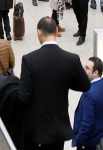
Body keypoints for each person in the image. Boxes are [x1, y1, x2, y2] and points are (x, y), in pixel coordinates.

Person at [18, 17, 91, 148]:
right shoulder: (71, 59)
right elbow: (85, 85)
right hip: (58, 129)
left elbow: (23, 97)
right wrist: (66, 81)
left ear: (39, 32)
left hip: (36, 129)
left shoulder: (29, 60)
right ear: (56, 30)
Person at [72, 57, 103, 149]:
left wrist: (78, 141)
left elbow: (87, 123)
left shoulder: (88, 94)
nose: (84, 70)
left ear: (95, 73)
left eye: (87, 68)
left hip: (93, 143)